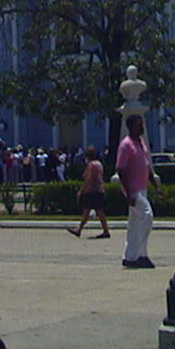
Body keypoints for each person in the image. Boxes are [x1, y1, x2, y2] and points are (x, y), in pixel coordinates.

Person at [116, 114, 158, 268]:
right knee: (147, 217)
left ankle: (132, 256)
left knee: (135, 224)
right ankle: (138, 255)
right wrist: (127, 193)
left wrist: (156, 186)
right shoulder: (126, 145)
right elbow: (121, 170)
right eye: (139, 125)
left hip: (142, 189)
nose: (142, 128)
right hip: (134, 191)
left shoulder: (141, 143)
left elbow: (147, 167)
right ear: (131, 126)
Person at [67, 145, 111, 239]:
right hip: (100, 190)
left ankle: (79, 229)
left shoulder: (91, 165)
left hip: (92, 191)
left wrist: (81, 191)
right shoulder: (99, 164)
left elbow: (88, 179)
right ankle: (104, 230)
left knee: (87, 211)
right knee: (99, 211)